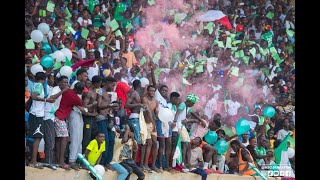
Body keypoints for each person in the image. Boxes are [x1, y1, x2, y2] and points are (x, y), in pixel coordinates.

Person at [54, 82, 98, 170]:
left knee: (77, 139)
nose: (82, 93)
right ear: (78, 90)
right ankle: (71, 160)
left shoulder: (69, 91)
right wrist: (93, 109)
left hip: (65, 116)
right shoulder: (75, 97)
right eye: (81, 91)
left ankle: (72, 159)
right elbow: (84, 110)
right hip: (71, 116)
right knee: (74, 138)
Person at [43, 75, 69, 170]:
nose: (66, 84)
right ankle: (55, 162)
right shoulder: (56, 89)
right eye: (64, 82)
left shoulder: (61, 89)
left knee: (57, 139)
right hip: (48, 115)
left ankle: (57, 161)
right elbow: (52, 98)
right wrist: (63, 91)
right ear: (59, 83)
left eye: (67, 82)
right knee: (57, 139)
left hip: (53, 115)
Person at [28, 72, 53, 169]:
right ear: (45, 79)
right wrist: (46, 100)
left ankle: (33, 161)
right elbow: (34, 96)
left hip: (38, 114)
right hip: (36, 115)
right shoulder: (39, 85)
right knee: (37, 138)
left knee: (38, 138)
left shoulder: (37, 85)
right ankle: (33, 161)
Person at [97, 76, 118, 169]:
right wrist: (109, 105)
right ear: (108, 83)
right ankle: (101, 162)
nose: (113, 87)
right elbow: (99, 105)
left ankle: (107, 162)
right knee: (104, 140)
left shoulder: (108, 93)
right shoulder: (100, 91)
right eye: (112, 85)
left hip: (107, 118)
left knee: (111, 139)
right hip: (100, 118)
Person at [141, 85, 160, 172]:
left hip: (153, 124)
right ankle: (145, 165)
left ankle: (153, 165)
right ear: (148, 91)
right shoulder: (145, 99)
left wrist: (158, 114)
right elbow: (148, 111)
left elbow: (156, 113)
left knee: (155, 143)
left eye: (153, 91)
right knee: (149, 143)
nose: (152, 92)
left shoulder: (156, 101)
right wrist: (154, 124)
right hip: (146, 123)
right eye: (151, 91)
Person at [82, 76, 101, 156]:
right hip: (87, 117)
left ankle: (90, 156)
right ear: (96, 83)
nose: (100, 85)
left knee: (95, 136)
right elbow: (84, 106)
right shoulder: (89, 92)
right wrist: (93, 104)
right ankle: (83, 158)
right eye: (99, 83)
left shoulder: (95, 92)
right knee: (87, 137)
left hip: (92, 117)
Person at [125, 80, 145, 146]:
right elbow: (126, 105)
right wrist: (138, 104)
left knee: (137, 139)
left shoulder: (137, 93)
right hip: (134, 118)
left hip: (136, 118)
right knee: (136, 140)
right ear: (139, 85)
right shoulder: (134, 93)